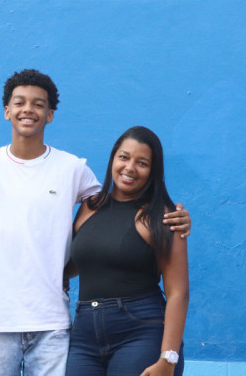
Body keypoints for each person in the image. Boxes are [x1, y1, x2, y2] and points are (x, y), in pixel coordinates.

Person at [0, 70, 190, 376]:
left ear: (50, 114)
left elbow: (114, 212)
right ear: (7, 111)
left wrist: (172, 217)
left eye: (39, 104)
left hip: (52, 323)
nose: (28, 109)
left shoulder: (73, 169)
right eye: (20, 102)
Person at [64, 126, 188, 376]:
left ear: (153, 170)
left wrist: (168, 358)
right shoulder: (90, 206)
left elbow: (179, 293)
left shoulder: (163, 217)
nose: (130, 168)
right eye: (124, 157)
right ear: (113, 159)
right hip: (85, 332)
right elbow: (76, 265)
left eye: (142, 163)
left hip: (140, 331)